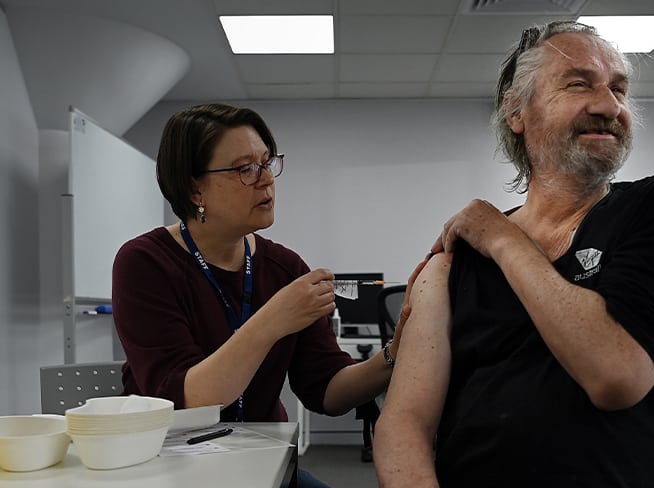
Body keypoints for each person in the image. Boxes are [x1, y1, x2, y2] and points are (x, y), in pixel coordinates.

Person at [373, 21, 654, 487]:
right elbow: (404, 424)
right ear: (517, 112)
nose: (608, 105)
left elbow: (616, 376)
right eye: (578, 84)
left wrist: (502, 236)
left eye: (618, 88)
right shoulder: (455, 263)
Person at [111, 103, 422, 488]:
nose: (266, 181)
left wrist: (396, 353)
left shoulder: (285, 267)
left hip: (262, 464)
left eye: (267, 162)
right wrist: (274, 319)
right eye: (245, 169)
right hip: (170, 468)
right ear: (194, 188)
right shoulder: (145, 262)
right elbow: (189, 396)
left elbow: (328, 390)